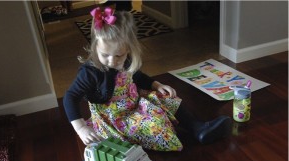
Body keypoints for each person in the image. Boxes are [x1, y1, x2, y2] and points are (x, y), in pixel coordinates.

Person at [63, 7, 232, 151]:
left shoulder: (127, 61)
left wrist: (156, 85)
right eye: (105, 55)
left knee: (167, 99)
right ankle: (166, 131)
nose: (112, 61)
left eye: (119, 55)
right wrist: (81, 128)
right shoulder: (91, 72)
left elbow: (138, 77)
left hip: (134, 103)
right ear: (95, 47)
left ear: (129, 49)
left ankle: (198, 128)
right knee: (156, 124)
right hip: (115, 118)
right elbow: (70, 97)